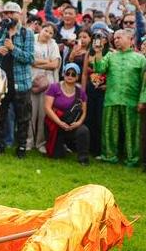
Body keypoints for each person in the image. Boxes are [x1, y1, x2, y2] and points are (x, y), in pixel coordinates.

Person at [93, 29, 146, 166]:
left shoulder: (140, 59)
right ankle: (109, 156)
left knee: (132, 132)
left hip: (132, 100)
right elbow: (99, 69)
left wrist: (142, 99)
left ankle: (132, 159)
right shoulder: (110, 56)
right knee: (110, 130)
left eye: (119, 37)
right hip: (112, 99)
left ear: (130, 39)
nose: (116, 40)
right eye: (114, 38)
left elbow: (144, 83)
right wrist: (98, 52)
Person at [0, 2, 34, 158]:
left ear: (19, 14)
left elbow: (30, 58)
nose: (8, 16)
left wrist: (13, 49)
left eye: (11, 13)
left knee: (23, 117)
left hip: (21, 82)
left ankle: (21, 147)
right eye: (5, 13)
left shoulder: (26, 33)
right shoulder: (0, 32)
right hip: (3, 83)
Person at [44, 63, 89, 164]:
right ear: (63, 74)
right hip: (56, 124)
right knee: (57, 156)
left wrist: (78, 123)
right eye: (67, 73)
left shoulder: (81, 92)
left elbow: (84, 112)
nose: (70, 76)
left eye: (73, 74)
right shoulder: (54, 87)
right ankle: (62, 147)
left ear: (77, 76)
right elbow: (47, 108)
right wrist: (60, 122)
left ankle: (83, 158)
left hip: (72, 124)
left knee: (83, 130)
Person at [28, 23, 61, 153]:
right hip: (32, 81)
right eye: (45, 30)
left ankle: (40, 142)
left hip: (48, 84)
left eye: (50, 33)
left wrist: (39, 64)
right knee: (31, 112)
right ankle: (28, 141)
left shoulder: (53, 44)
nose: (47, 34)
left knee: (43, 114)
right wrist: (45, 61)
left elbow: (55, 64)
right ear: (40, 29)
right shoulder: (31, 39)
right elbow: (29, 60)